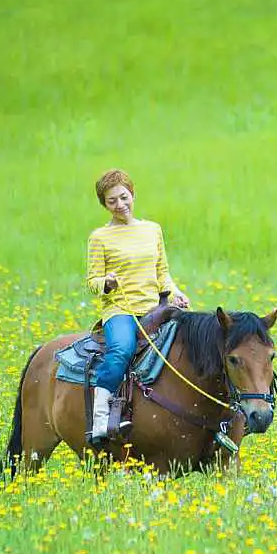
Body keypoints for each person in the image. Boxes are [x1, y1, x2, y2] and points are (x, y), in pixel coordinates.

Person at [84, 169, 190, 447]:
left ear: (132, 194)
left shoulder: (152, 230)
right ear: (104, 205)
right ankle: (100, 417)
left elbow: (162, 273)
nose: (120, 205)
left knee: (191, 342)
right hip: (120, 309)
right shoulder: (99, 238)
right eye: (111, 201)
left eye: (123, 197)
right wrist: (105, 283)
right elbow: (92, 281)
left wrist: (176, 292)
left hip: (154, 306)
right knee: (122, 350)